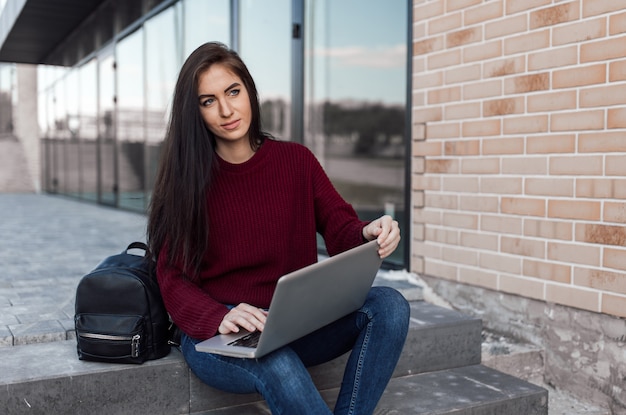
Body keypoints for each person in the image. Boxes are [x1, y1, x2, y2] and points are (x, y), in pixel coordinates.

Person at [147, 42, 410, 415]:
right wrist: (217, 317)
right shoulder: (186, 183)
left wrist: (366, 233)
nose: (226, 110)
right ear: (196, 113)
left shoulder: (296, 161)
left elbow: (339, 226)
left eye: (233, 92)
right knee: (275, 359)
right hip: (221, 333)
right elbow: (171, 277)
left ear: (249, 92)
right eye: (208, 101)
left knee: (391, 306)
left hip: (294, 323)